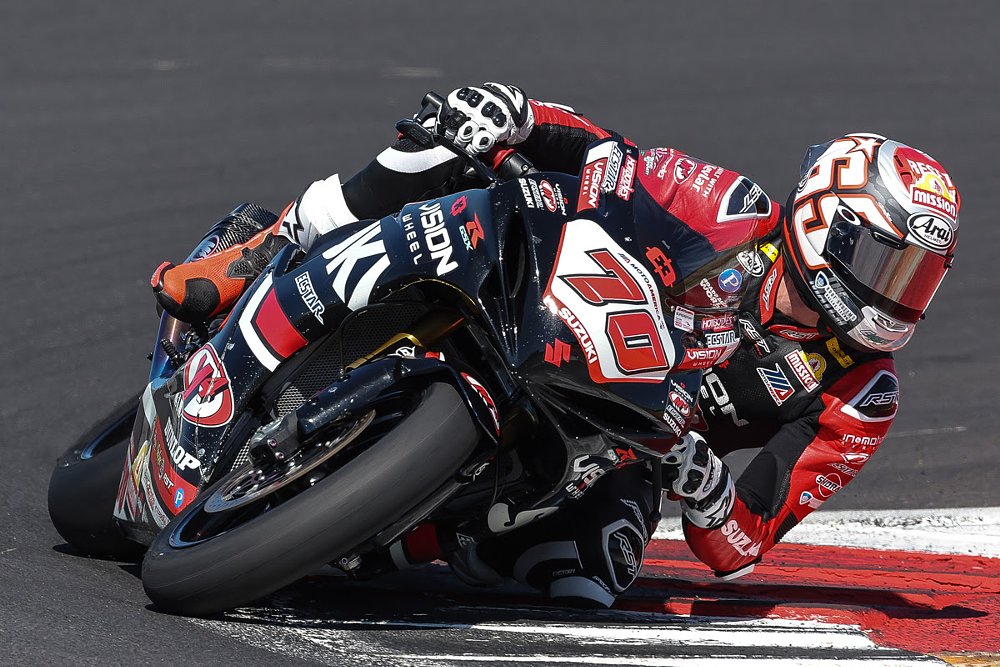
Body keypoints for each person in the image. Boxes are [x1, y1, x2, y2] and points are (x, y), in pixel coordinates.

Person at [150, 84, 960, 605]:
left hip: (621, 438)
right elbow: (616, 161)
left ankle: (382, 526)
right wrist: (522, 115)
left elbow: (740, 546)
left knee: (596, 572)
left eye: (918, 276)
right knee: (445, 143)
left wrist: (707, 486)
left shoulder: (861, 394)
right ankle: (255, 261)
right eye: (886, 262)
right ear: (825, 222)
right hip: (551, 307)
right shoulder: (734, 210)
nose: (896, 292)